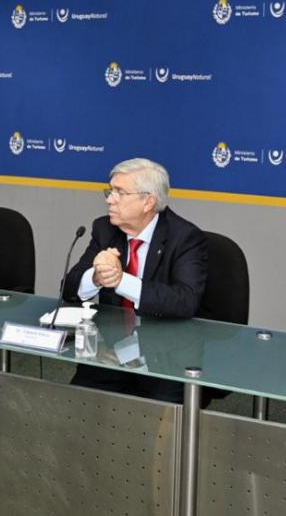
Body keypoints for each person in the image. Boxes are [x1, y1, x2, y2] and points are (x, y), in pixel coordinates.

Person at [62, 157, 208, 402]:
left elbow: (185, 300)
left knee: (160, 424)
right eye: (109, 191)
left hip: (166, 359)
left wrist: (121, 281)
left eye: (119, 192)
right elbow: (69, 288)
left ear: (148, 201)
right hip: (109, 352)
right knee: (77, 406)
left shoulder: (185, 238)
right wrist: (96, 277)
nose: (109, 199)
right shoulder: (105, 229)